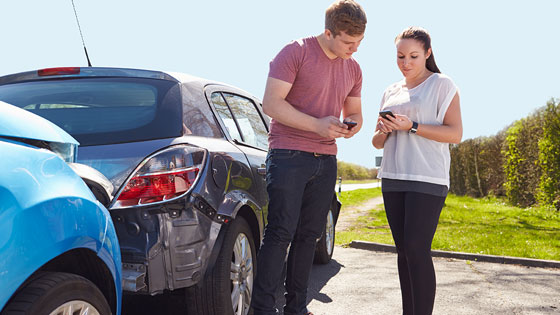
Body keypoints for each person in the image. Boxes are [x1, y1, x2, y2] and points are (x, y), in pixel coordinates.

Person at [250, 1, 367, 315]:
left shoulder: (353, 68)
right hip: (289, 155)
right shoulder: (295, 52)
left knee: (309, 237)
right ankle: (260, 310)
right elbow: (272, 104)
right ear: (328, 32)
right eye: (347, 42)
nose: (354, 49)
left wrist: (351, 126)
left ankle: (296, 309)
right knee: (280, 233)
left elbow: (354, 111)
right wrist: (317, 125)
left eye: (359, 43)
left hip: (326, 159)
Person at [372, 26, 462, 315]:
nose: (406, 63)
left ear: (427, 53)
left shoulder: (442, 84)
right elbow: (376, 141)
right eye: (400, 56)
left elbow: (455, 133)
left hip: (428, 176)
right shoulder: (390, 91)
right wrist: (386, 130)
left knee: (416, 247)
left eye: (413, 56)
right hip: (393, 176)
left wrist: (410, 126)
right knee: (403, 252)